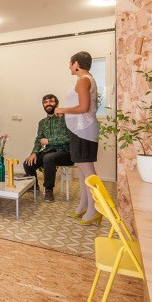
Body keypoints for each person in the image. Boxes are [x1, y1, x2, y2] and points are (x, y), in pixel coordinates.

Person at [54, 51, 101, 225]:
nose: (69, 66)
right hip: (81, 130)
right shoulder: (87, 79)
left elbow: (83, 107)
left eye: (70, 63)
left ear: (76, 64)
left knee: (88, 172)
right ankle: (84, 205)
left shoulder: (83, 80)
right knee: (82, 170)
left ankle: (94, 210)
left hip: (84, 131)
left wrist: (62, 109)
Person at [23, 94, 73, 202]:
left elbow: (68, 139)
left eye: (51, 101)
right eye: (45, 102)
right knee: (28, 162)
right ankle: (34, 186)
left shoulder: (65, 119)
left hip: (66, 152)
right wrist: (34, 153)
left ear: (57, 104)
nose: (48, 104)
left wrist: (49, 141)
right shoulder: (42, 123)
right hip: (49, 152)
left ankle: (49, 189)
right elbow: (38, 139)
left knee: (48, 158)